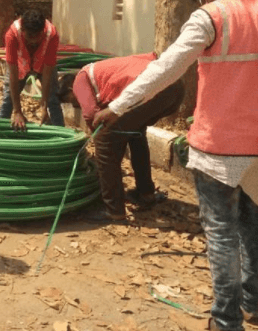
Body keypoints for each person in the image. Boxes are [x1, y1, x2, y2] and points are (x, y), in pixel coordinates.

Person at [94, 0, 258, 331]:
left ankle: (226, 324)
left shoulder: (210, 17)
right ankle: (252, 304)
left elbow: (165, 68)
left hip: (220, 147)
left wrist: (117, 107)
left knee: (221, 233)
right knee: (252, 227)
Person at [59, 53, 184, 221]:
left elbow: (90, 115)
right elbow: (151, 57)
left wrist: (96, 136)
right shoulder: (103, 71)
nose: (75, 104)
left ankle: (113, 210)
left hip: (152, 88)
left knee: (105, 140)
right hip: (175, 86)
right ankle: (145, 193)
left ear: (69, 90)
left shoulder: (79, 80)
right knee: (135, 134)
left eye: (70, 100)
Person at [0, 9, 65, 130]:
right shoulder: (12, 34)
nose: (33, 40)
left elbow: (48, 72)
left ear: (42, 31)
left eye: (37, 36)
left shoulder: (52, 35)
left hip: (42, 64)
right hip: (20, 64)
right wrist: (17, 111)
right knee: (8, 99)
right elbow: (13, 73)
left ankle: (62, 136)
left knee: (53, 99)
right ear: (23, 31)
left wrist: (44, 106)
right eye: (29, 36)